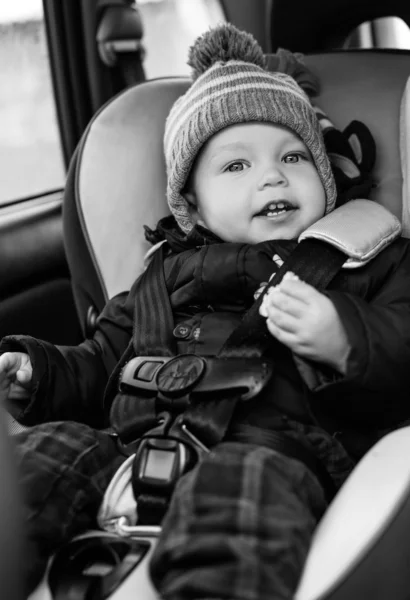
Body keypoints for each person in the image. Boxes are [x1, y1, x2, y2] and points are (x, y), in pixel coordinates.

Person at [1, 23, 409, 600]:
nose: (272, 174)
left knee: (240, 493)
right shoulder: (161, 276)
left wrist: (345, 338)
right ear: (190, 205)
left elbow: (405, 344)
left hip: (274, 447)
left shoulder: (367, 258)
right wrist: (38, 372)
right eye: (235, 166)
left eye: (294, 156)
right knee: (42, 456)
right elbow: (98, 364)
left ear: (325, 177)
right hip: (131, 447)